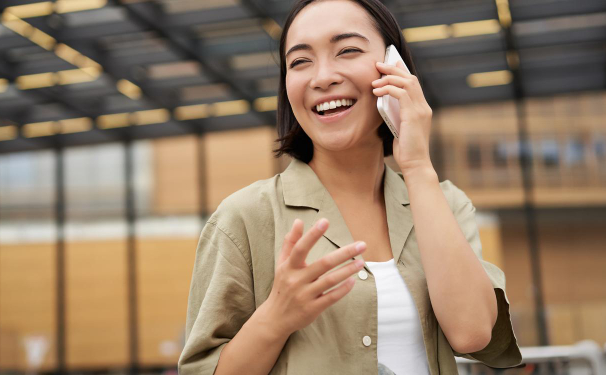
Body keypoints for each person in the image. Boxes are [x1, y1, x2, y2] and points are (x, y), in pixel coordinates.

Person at [178, 0, 522, 374]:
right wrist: (276, 317)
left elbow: (471, 333)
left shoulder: (445, 203)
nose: (322, 77)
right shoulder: (243, 218)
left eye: (347, 51)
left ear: (395, 68)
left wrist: (419, 165)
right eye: (300, 61)